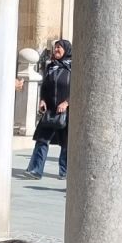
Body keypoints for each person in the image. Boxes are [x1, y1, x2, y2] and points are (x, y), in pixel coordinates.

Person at [22, 38, 71, 180]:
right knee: (42, 140)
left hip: (65, 111)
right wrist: (42, 100)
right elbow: (44, 86)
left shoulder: (72, 67)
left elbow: (77, 89)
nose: (56, 50)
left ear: (66, 50)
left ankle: (65, 170)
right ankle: (36, 170)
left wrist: (67, 103)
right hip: (50, 110)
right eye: (55, 47)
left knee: (66, 142)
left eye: (59, 48)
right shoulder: (51, 66)